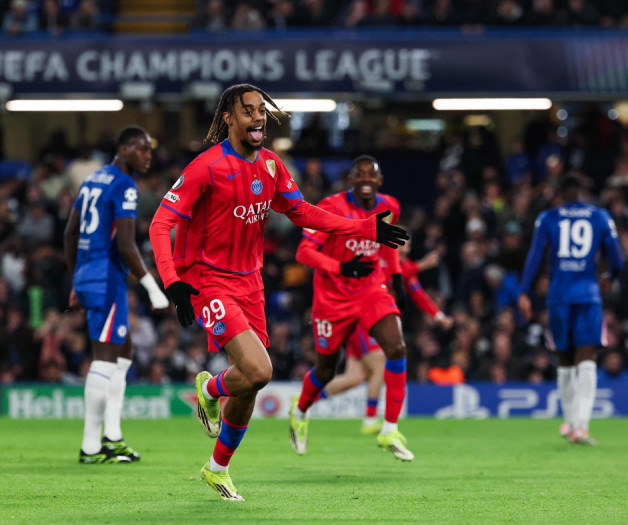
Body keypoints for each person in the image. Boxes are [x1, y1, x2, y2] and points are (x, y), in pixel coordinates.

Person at [149, 84, 408, 501]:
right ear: (228, 119)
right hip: (207, 280)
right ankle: (210, 390)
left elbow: (302, 212)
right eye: (248, 111)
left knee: (249, 384)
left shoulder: (271, 165)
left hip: (250, 283)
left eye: (261, 111)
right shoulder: (206, 166)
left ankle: (217, 468)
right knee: (259, 370)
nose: (258, 117)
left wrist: (365, 227)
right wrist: (172, 280)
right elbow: (160, 224)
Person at [291, 155, 413, 461]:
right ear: (351, 180)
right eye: (360, 175)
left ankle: (389, 429)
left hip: (371, 290)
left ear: (380, 180)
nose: (366, 180)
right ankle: (300, 410)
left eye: (371, 175)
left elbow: (387, 242)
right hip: (332, 299)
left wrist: (397, 277)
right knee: (326, 369)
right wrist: (341, 267)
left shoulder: (390, 206)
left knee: (396, 348)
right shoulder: (330, 207)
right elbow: (303, 252)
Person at [64, 126, 170, 465]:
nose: (148, 156)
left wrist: (76, 279)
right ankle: (90, 447)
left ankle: (112, 437)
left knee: (122, 354)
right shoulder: (124, 185)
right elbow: (126, 245)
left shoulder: (92, 180)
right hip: (107, 279)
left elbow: (70, 232)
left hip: (88, 274)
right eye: (141, 149)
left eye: (149, 150)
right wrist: (153, 288)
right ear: (123, 149)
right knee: (105, 358)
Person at [303, 235, 453, 435]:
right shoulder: (378, 260)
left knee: (354, 378)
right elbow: (388, 275)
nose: (404, 251)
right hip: (361, 321)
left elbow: (418, 294)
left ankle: (306, 400)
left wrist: (439, 316)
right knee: (381, 363)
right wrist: (420, 266)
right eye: (400, 246)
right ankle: (370, 419)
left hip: (370, 323)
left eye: (407, 247)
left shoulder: (406, 267)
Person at [519, 175, 623, 445]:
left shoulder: (548, 217)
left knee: (564, 360)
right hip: (588, 295)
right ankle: (582, 427)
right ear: (583, 192)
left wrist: (524, 291)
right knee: (587, 357)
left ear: (561, 194)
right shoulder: (600, 216)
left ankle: (571, 422)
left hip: (559, 295)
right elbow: (617, 259)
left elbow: (535, 255)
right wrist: (609, 276)